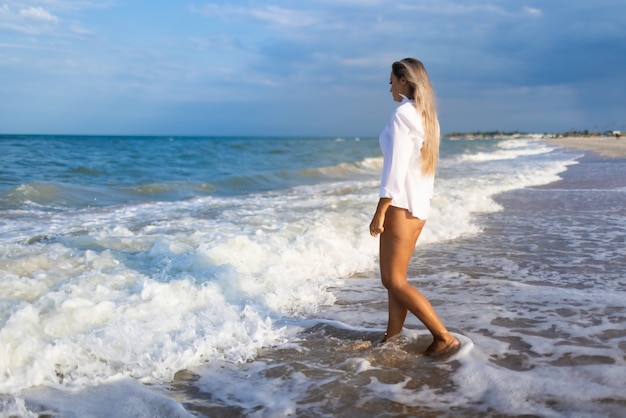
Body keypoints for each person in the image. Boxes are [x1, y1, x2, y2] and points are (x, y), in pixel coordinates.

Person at [369, 58, 460, 356]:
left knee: (391, 280)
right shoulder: (427, 117)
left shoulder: (402, 115)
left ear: (405, 80)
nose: (389, 85)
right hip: (418, 208)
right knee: (397, 281)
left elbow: (394, 170)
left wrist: (380, 210)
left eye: (392, 79)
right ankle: (391, 339)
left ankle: (443, 336)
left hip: (401, 206)